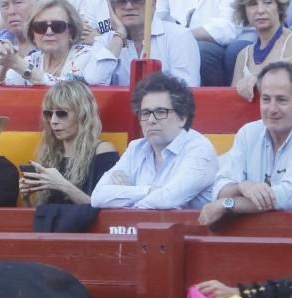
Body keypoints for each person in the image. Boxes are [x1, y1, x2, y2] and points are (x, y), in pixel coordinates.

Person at [200, 62, 292, 227]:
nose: (272, 109)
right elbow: (219, 187)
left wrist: (228, 204)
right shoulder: (248, 133)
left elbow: (289, 196)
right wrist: (242, 187)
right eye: (266, 99)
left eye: (281, 100)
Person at [91, 72, 217, 210]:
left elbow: (167, 199)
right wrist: (149, 190)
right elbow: (97, 197)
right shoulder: (136, 148)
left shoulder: (199, 149)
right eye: (145, 113)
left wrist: (124, 197)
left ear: (182, 118)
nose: (151, 120)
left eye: (161, 112)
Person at [21, 79, 119, 206]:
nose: (53, 121)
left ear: (82, 114)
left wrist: (63, 185)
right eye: (49, 114)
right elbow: (42, 217)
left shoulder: (102, 150)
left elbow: (107, 211)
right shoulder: (51, 153)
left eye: (62, 113)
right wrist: (27, 197)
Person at [0, 0, 116, 86]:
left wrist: (18, 64)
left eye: (57, 26)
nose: (48, 32)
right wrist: (4, 61)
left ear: (71, 31)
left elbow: (65, 88)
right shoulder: (32, 60)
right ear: (33, 34)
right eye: (40, 27)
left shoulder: (87, 56)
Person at [99, 0, 200, 86]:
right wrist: (120, 35)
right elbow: (95, 82)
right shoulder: (106, 41)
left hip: (164, 109)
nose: (128, 6)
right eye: (121, 0)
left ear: (153, 4)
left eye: (137, 0)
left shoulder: (179, 36)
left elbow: (186, 90)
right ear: (111, 7)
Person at [231, 0, 292, 101]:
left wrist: (259, 79)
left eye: (267, 2)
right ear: (244, 11)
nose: (260, 10)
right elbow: (232, 100)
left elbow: (289, 83)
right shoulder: (243, 55)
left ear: (279, 7)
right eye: (253, 4)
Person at [156, 0, 244, 86]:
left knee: (199, 50)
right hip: (177, 40)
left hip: (222, 44)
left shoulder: (182, 37)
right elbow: (158, 15)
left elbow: (228, 28)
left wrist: (183, 36)